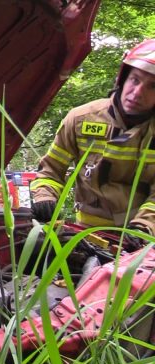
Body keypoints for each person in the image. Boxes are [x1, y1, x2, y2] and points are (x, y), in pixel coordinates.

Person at [30, 39, 155, 250]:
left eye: (153, 86)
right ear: (123, 78)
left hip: (141, 237)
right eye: (135, 80)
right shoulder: (80, 119)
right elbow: (50, 170)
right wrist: (44, 197)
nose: (137, 92)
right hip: (86, 233)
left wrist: (144, 227)